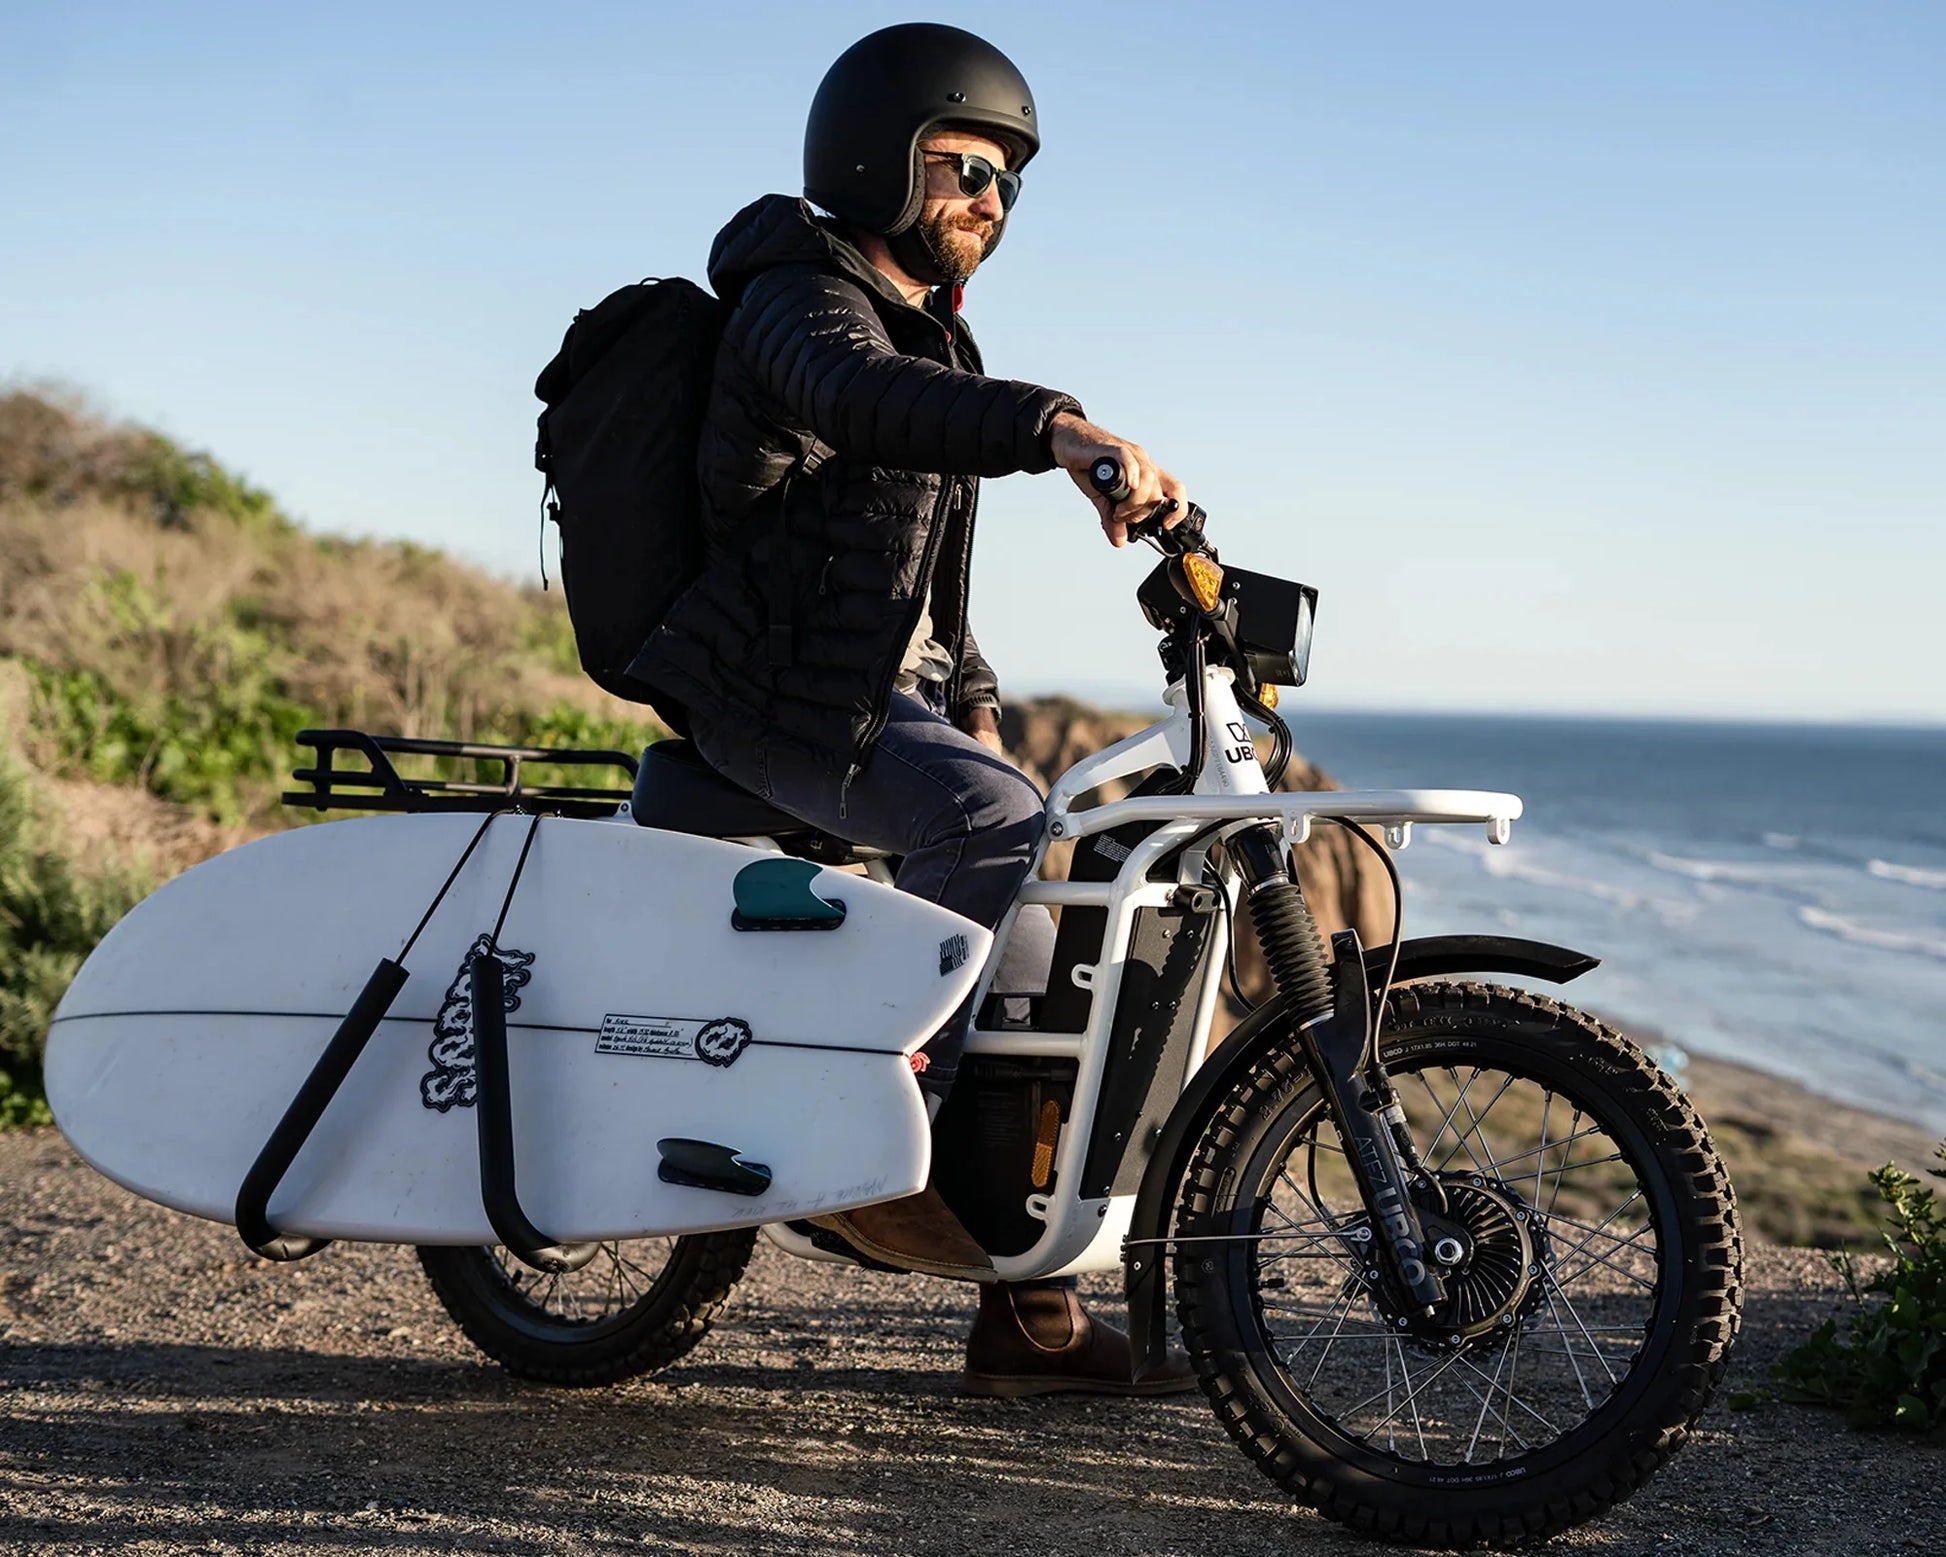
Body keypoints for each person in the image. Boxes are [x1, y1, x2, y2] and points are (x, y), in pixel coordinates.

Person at [631, 23, 1192, 1396]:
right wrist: (1057, 427)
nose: (988, 204)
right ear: (876, 161)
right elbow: (856, 402)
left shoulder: (933, 340)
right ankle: (874, 1141)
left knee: (1063, 934)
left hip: (867, 695)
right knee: (998, 823)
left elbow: (927, 589)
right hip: (769, 696)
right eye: (961, 169)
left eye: (1007, 183)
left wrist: (982, 701)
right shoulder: (796, 303)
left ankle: (1024, 1312)